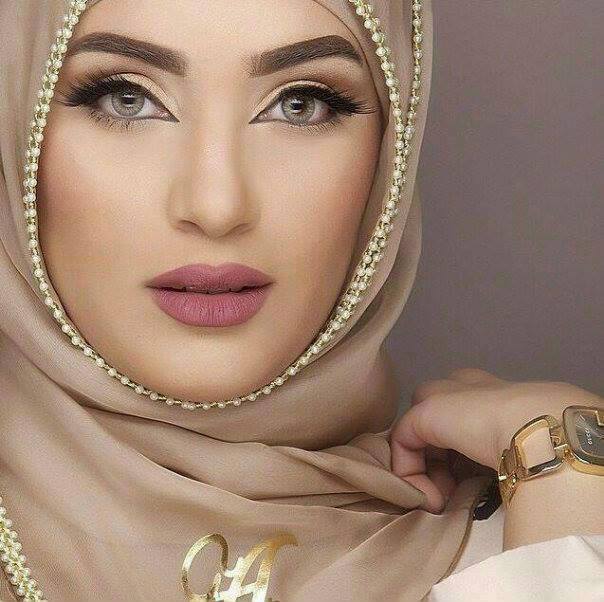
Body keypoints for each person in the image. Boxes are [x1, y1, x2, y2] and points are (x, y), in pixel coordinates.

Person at [0, 1, 602, 600]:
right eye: (125, 99)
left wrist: (568, 472)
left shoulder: (545, 536)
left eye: (301, 104)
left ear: (390, 157)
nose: (217, 207)